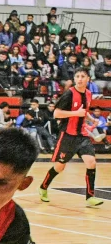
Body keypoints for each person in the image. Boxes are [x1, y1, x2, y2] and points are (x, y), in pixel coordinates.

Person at [39, 68, 103, 208]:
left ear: (88, 79)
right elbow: (56, 114)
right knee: (60, 167)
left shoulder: (89, 93)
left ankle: (90, 197)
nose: (80, 79)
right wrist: (75, 113)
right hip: (67, 135)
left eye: (83, 76)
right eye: (77, 76)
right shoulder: (69, 94)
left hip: (82, 136)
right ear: (74, 79)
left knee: (91, 162)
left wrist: (91, 119)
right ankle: (43, 187)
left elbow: (84, 111)